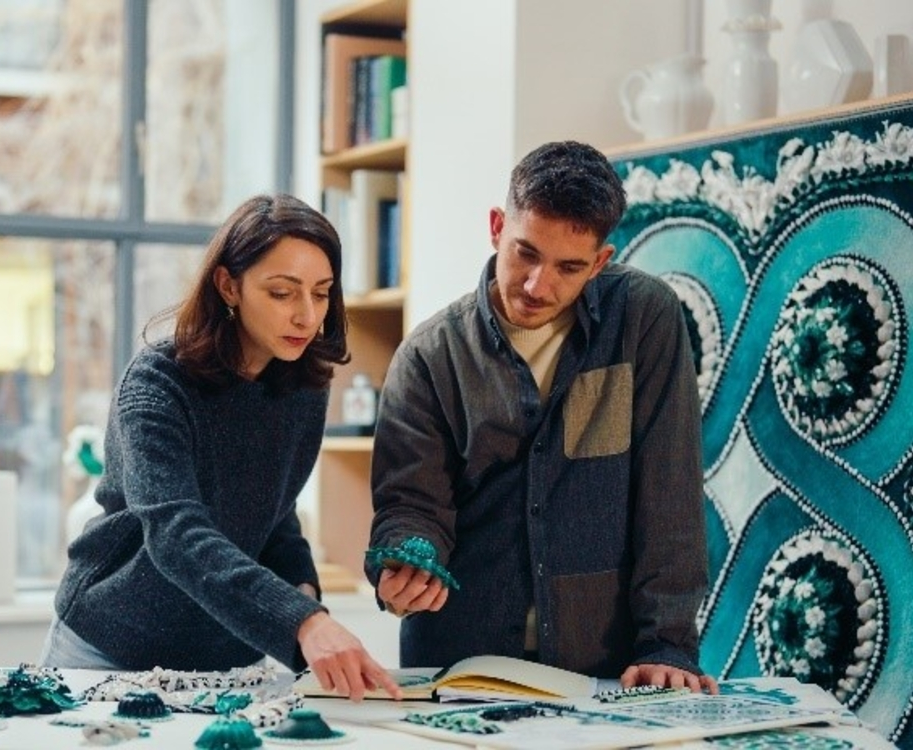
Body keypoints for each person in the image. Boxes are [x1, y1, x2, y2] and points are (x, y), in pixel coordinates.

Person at [367, 141, 718, 694]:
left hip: (606, 667)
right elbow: (410, 505)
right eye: (525, 253)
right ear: (496, 227)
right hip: (460, 665)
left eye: (568, 267)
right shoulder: (429, 356)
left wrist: (668, 644)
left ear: (600, 262)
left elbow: (669, 493)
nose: (537, 285)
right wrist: (408, 562)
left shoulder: (644, 320)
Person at [44, 193, 400, 701]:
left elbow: (275, 515)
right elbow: (175, 533)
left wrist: (302, 591)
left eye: (321, 294)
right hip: (109, 649)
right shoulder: (156, 381)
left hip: (231, 660)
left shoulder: (304, 385)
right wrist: (303, 622)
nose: (306, 316)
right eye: (282, 293)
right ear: (228, 285)